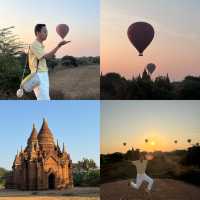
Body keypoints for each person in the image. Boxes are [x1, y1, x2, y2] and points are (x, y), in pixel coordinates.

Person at [29, 24, 70, 100]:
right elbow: (48, 56)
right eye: (44, 31)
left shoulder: (39, 45)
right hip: (38, 75)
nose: (46, 33)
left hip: (42, 74)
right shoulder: (35, 45)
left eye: (47, 31)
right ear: (38, 33)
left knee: (44, 99)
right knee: (44, 100)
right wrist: (59, 46)